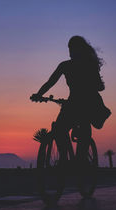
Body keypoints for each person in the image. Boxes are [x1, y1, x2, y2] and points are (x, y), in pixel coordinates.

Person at [30, 35, 110, 163]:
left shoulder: (81, 65)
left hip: (86, 103)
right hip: (75, 102)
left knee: (79, 127)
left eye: (73, 48)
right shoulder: (70, 65)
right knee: (58, 129)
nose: (71, 52)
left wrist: (39, 95)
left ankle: (81, 160)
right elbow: (50, 82)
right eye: (70, 49)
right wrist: (38, 94)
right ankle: (64, 158)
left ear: (80, 50)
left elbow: (98, 86)